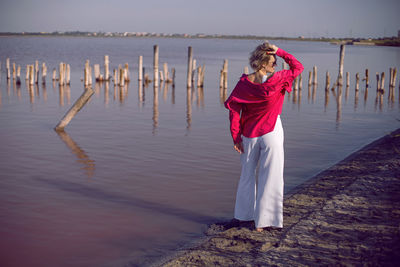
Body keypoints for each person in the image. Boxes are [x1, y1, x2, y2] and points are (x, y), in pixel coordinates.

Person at [224, 41, 303, 232]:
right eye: (273, 61)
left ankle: (243, 217)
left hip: (249, 134)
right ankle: (266, 222)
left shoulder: (243, 84)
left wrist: (236, 137)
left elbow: (234, 111)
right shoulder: (278, 80)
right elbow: (298, 66)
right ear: (263, 64)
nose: (276, 64)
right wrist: (281, 51)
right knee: (272, 175)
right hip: (272, 132)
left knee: (247, 175)